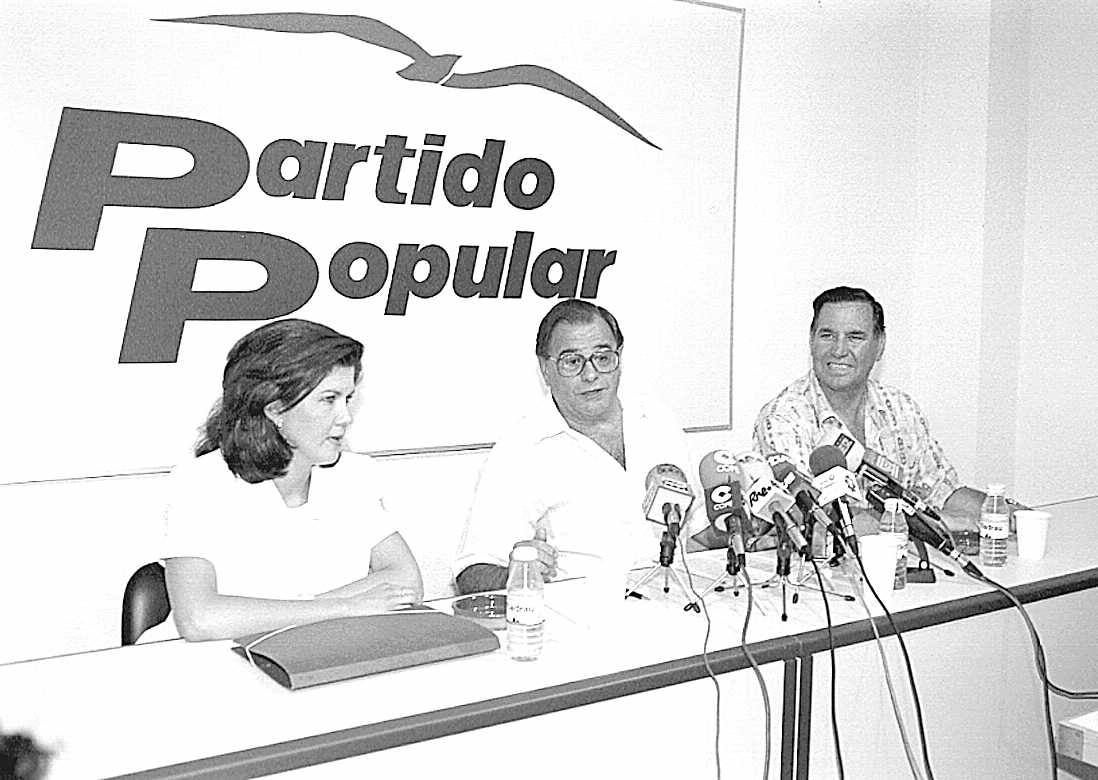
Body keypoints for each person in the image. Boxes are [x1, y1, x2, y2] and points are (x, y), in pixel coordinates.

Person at [158, 319, 423, 642]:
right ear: (275, 409)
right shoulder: (201, 482)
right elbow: (200, 619)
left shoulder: (355, 475)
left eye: (348, 398)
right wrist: (344, 607)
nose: (345, 417)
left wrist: (272, 615)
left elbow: (407, 582)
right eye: (329, 399)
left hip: (320, 654)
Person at [452, 300, 706, 596]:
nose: (591, 375)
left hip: (680, 609)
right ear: (545, 369)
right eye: (573, 362)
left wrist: (745, 532)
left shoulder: (658, 421)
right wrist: (519, 574)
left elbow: (696, 536)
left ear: (619, 357)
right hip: (582, 626)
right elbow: (471, 573)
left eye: (602, 357)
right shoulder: (522, 450)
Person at [753, 286, 1015, 531]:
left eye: (855, 337)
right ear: (811, 342)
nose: (839, 350)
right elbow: (815, 521)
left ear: (880, 346)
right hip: (824, 572)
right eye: (827, 335)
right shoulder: (783, 418)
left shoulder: (900, 408)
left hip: (903, 564)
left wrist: (1011, 515)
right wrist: (932, 525)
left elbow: (942, 492)